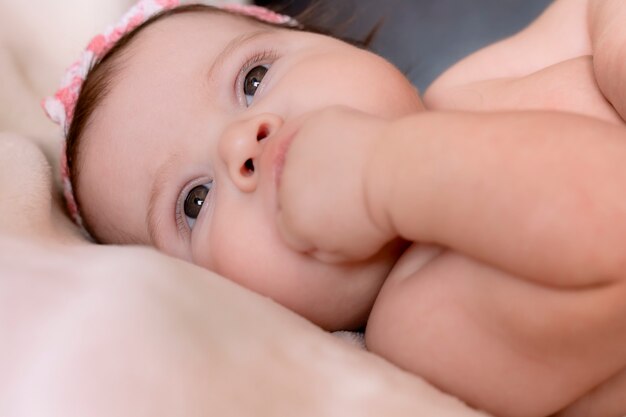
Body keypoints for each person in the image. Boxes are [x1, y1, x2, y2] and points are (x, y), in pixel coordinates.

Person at [43, 0, 626, 416]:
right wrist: (380, 172)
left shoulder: (472, 82)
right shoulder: (421, 324)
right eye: (195, 202)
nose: (242, 140)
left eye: (253, 78)